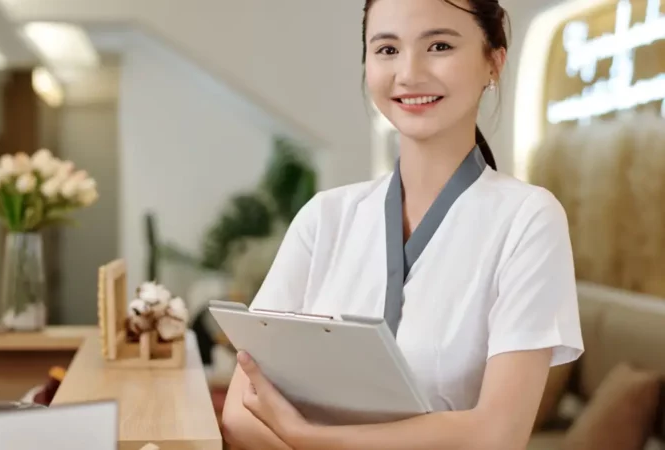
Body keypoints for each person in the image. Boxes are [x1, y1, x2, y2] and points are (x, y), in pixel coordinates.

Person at [220, 0, 584, 449]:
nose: (409, 73)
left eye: (439, 45)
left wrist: (304, 437)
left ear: (494, 61)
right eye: (387, 50)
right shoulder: (324, 218)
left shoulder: (528, 220)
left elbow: (497, 434)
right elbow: (240, 409)